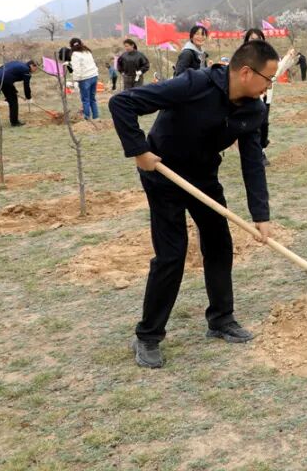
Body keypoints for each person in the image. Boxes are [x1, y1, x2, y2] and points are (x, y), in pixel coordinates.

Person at [110, 40, 279, 369]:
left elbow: (252, 164)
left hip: (203, 177)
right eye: (268, 79)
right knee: (172, 254)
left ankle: (221, 319)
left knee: (219, 243)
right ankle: (147, 336)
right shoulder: (194, 84)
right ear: (246, 72)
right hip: (164, 176)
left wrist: (261, 216)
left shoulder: (253, 110)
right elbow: (122, 103)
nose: (269, 86)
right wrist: (139, 150)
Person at [0, 59, 37, 128]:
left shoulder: (16, 63)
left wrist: (12, 91)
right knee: (13, 100)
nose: (35, 70)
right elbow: (26, 86)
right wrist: (29, 98)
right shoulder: (26, 70)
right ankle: (14, 122)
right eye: (35, 67)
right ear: (31, 65)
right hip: (5, 80)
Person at [243, 29, 272, 162]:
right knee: (254, 123)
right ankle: (257, 153)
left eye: (258, 38)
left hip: (266, 92)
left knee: (264, 122)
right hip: (252, 93)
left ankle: (262, 149)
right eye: (252, 39)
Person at [70, 37, 100, 120]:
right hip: (94, 75)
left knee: (85, 100)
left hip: (85, 78)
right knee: (92, 98)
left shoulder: (75, 54)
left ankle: (87, 118)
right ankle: (96, 117)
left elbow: (77, 69)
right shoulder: (87, 51)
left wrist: (75, 80)